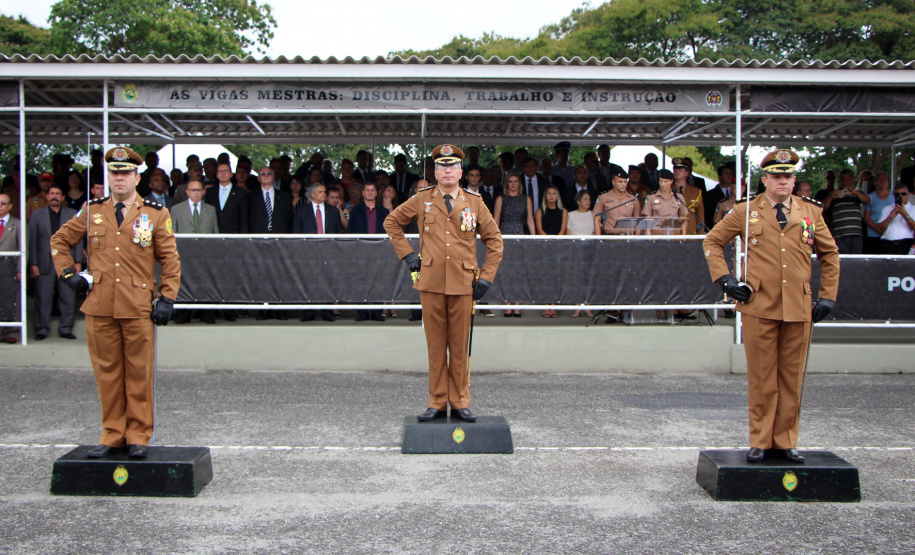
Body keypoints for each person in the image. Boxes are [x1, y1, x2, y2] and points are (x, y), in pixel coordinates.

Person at [703, 148, 839, 463]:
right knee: (763, 379)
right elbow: (712, 241)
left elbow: (830, 254)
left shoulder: (811, 212)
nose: (783, 181)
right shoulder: (746, 210)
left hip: (799, 307)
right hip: (759, 306)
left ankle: (786, 441)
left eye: (788, 176)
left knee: (791, 379)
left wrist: (828, 295)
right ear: (764, 179)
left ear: (794, 179)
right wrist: (726, 280)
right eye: (776, 176)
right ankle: (761, 441)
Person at [51, 146, 181, 460]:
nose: (119, 178)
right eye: (114, 173)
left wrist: (167, 297)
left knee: (138, 373)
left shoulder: (155, 213)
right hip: (100, 305)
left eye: (125, 173)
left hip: (137, 306)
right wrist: (68, 273)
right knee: (107, 373)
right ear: (108, 178)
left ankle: (137, 435)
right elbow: (60, 240)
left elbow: (170, 259)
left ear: (137, 178)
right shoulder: (92, 211)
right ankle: (112, 433)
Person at [384, 144, 503, 422]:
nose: (447, 171)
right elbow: (391, 222)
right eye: (442, 167)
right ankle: (437, 402)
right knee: (436, 347)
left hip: (463, 284)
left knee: (459, 347)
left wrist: (486, 277)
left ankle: (460, 401)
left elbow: (495, 241)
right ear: (435, 173)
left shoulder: (475, 202)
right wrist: (408, 254)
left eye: (453, 166)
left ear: (461, 173)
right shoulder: (422, 199)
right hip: (431, 282)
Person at [28, 183, 83, 341]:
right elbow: (32, 240)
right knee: (43, 297)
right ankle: (42, 328)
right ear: (47, 196)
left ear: (63, 197)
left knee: (67, 296)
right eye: (52, 193)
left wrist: (78, 261)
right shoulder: (36, 214)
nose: (54, 196)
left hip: (66, 260)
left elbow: (78, 238)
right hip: (43, 261)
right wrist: (33, 263)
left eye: (58, 194)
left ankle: (66, 328)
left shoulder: (72, 213)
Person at [535, 184, 567, 317]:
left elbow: (563, 229)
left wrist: (556, 241)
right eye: (549, 193)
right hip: (545, 246)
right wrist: (549, 240)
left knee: (555, 276)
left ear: (557, 196)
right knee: (545, 276)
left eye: (554, 193)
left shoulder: (563, 211)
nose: (552, 196)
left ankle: (554, 304)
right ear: (545, 196)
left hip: (558, 247)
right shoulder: (539, 211)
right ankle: (545, 304)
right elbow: (539, 229)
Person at [822, 169, 870, 254]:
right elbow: (823, 208)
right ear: (840, 180)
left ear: (853, 180)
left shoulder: (858, 193)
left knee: (856, 260)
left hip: (856, 234)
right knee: (841, 259)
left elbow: (868, 201)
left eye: (848, 179)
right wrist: (832, 197)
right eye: (843, 179)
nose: (845, 182)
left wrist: (855, 192)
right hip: (839, 235)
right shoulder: (833, 194)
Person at [592, 166, 640, 235]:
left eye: (625, 182)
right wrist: (599, 239)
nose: (623, 184)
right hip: (610, 237)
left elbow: (637, 221)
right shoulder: (603, 197)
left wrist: (637, 239)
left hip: (627, 237)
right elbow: (597, 218)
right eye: (620, 182)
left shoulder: (633, 199)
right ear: (613, 182)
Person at [204, 162, 249, 235]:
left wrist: (243, 237)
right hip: (213, 234)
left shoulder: (240, 192)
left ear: (231, 174)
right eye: (220, 171)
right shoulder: (210, 192)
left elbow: (244, 218)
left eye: (226, 171)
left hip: (233, 235)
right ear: (217, 175)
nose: (223, 173)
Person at [0, 193, 21, 343]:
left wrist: (20, 269)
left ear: (10, 206)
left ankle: (11, 332)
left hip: (10, 268)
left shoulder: (18, 224)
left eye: (2, 203)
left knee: (11, 300)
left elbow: (23, 248)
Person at [249, 166, 294, 234]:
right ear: (258, 178)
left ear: (273, 177)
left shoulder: (285, 197)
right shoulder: (250, 197)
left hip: (280, 236)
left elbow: (290, 218)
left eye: (269, 173)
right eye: (263, 174)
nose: (266, 175)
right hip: (257, 236)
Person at [874, 183, 915, 254]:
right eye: (897, 194)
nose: (900, 196)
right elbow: (879, 229)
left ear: (908, 194)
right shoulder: (886, 209)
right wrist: (889, 218)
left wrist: (905, 214)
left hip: (906, 243)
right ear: (894, 195)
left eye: (903, 194)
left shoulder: (913, 208)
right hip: (888, 243)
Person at [862, 171, 896, 254]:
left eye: (884, 179)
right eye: (879, 179)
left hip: (891, 234)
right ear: (874, 182)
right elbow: (866, 217)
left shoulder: (895, 195)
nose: (882, 181)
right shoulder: (870, 197)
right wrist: (878, 230)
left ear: (888, 182)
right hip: (873, 234)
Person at [672, 158, 706, 234]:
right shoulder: (668, 190)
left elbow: (700, 217)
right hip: (674, 233)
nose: (677, 171)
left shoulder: (696, 192)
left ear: (686, 173)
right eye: (675, 169)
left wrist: (700, 236)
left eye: (680, 169)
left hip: (691, 232)